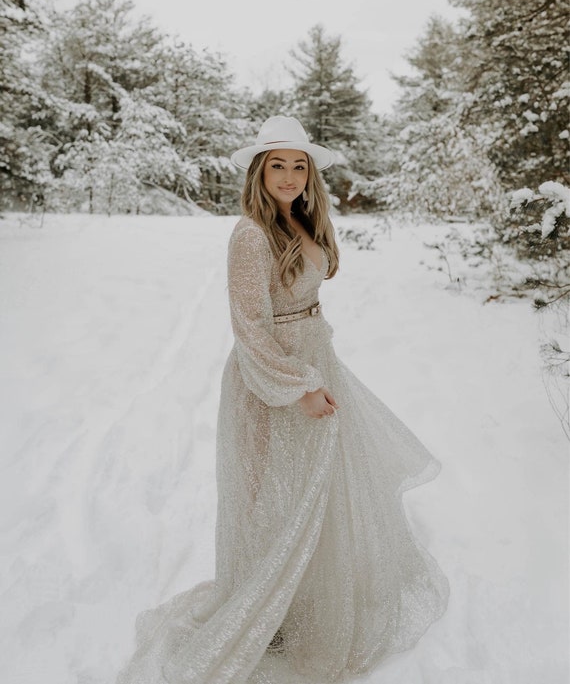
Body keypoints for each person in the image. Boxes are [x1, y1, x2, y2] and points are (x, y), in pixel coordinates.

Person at [117, 116, 449, 684]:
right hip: (270, 382)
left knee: (313, 491)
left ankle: (300, 604)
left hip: (316, 364)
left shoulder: (301, 221)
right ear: (259, 171)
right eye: (279, 164)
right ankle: (266, 613)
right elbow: (249, 326)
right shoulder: (250, 234)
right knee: (271, 497)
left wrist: (317, 373)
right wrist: (298, 386)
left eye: (300, 165)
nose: (291, 176)